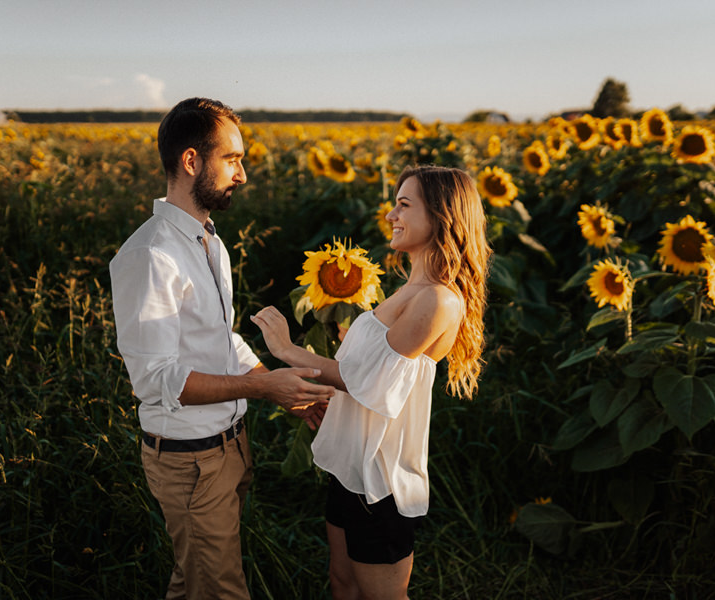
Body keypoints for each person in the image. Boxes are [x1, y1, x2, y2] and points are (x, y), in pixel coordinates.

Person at [109, 97, 335, 600]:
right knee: (221, 590)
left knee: (195, 581)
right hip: (191, 460)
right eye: (232, 159)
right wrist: (263, 387)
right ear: (191, 161)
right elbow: (158, 381)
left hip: (229, 444)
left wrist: (285, 391)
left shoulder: (209, 241)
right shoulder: (151, 256)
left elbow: (220, 338)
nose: (243, 174)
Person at [251, 165, 491, 600]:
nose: (390, 215)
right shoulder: (406, 288)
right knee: (343, 583)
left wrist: (286, 350)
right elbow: (364, 376)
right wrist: (326, 403)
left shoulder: (437, 299)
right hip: (352, 464)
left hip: (382, 479)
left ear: (442, 214)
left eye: (403, 204)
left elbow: (366, 380)